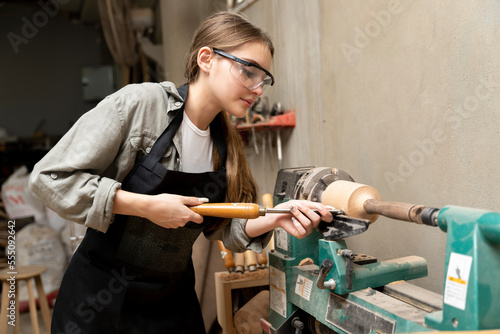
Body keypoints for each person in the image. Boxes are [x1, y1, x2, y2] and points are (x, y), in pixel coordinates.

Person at [29, 11, 333, 334]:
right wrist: (145, 206)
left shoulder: (226, 146)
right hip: (100, 304)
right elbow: (49, 177)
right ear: (206, 59)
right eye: (248, 72)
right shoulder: (142, 105)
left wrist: (278, 215)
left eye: (264, 80)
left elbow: (227, 230)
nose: (258, 89)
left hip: (170, 305)